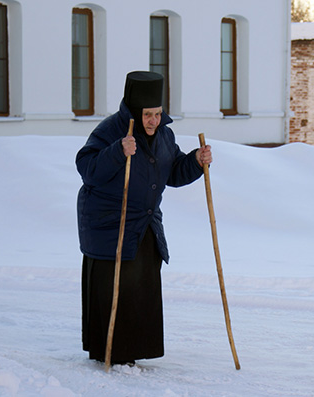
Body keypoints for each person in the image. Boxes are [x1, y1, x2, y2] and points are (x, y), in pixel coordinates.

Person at [76, 71, 212, 366]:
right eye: (148, 115)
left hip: (145, 222)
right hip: (110, 224)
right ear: (135, 112)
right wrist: (117, 152)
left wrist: (195, 162)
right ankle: (111, 351)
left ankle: (136, 349)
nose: (154, 121)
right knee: (116, 288)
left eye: (158, 114)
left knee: (141, 289)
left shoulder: (164, 134)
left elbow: (173, 170)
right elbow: (87, 167)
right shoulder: (111, 130)